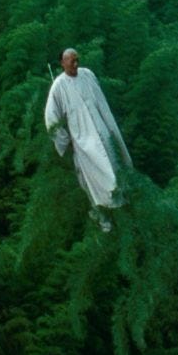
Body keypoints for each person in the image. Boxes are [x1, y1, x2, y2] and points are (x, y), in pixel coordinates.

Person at [45, 48, 132, 231]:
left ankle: (122, 200)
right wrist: (65, 140)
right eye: (71, 62)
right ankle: (102, 216)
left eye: (77, 60)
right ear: (62, 63)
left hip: (102, 129)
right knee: (91, 178)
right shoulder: (58, 86)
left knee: (114, 164)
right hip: (83, 140)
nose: (76, 65)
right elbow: (51, 118)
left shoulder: (88, 75)